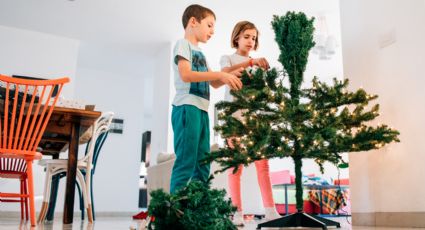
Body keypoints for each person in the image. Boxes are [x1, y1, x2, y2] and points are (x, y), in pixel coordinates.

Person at [170, 4, 244, 194]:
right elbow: (186, 75)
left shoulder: (201, 53)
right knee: (186, 159)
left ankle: (198, 208)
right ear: (193, 22)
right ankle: (174, 210)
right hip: (187, 107)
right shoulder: (182, 44)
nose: (212, 31)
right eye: (210, 25)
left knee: (203, 162)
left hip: (202, 110)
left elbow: (215, 82)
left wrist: (231, 74)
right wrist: (221, 74)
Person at [219, 21, 280, 226]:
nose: (250, 41)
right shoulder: (228, 59)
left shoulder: (259, 66)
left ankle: (270, 210)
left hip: (256, 121)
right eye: (246, 36)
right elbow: (226, 72)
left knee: (263, 166)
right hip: (234, 120)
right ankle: (236, 212)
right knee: (235, 168)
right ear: (236, 37)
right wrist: (251, 63)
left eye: (253, 38)